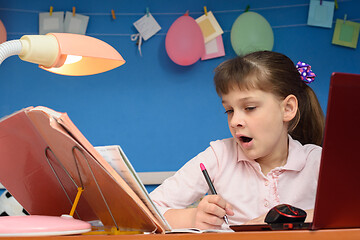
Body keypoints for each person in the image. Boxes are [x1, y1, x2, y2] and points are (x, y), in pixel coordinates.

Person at [149, 51, 325, 230]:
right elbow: (147, 211)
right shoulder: (219, 157)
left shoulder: (318, 161)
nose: (234, 122)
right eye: (229, 110)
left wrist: (292, 217)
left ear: (287, 108)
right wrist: (193, 217)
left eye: (249, 107)